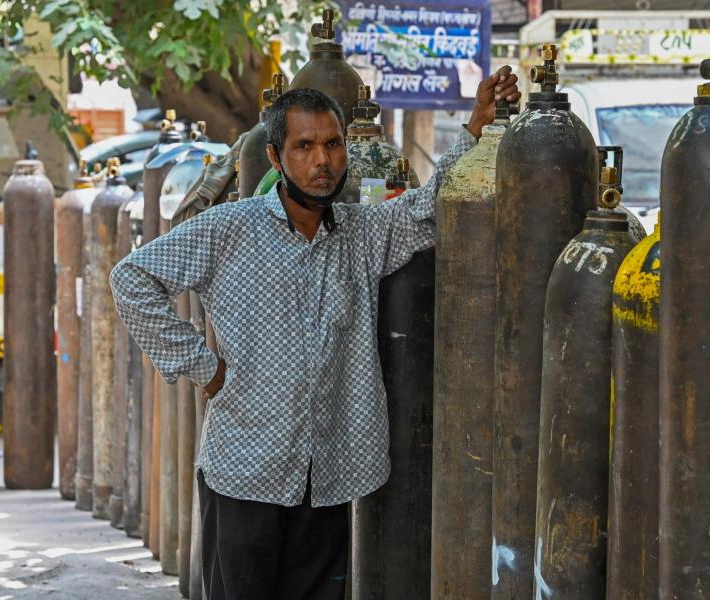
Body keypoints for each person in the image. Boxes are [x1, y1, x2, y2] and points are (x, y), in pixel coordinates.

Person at [110, 66, 520, 600]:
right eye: (304, 146)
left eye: (332, 144)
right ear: (277, 158)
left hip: (328, 472)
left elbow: (428, 208)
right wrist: (204, 368)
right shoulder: (228, 229)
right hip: (244, 470)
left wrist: (473, 129)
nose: (322, 161)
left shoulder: (361, 233)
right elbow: (132, 278)